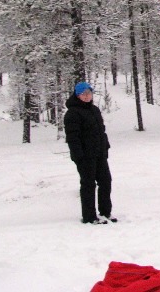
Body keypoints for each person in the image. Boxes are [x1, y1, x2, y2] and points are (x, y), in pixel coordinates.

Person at [64, 81, 116, 225]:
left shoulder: (94, 110)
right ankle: (89, 216)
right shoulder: (72, 113)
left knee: (106, 181)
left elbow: (101, 131)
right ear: (77, 95)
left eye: (89, 93)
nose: (87, 96)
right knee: (88, 185)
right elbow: (72, 137)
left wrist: (105, 147)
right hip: (85, 157)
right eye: (83, 94)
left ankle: (105, 212)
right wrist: (78, 156)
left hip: (99, 154)